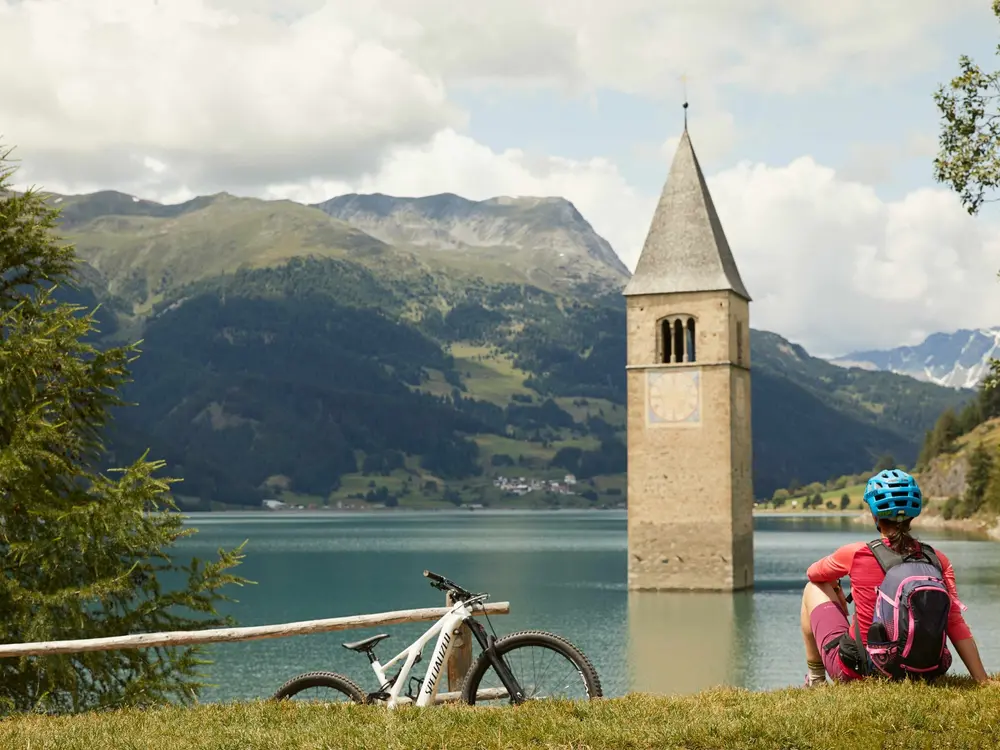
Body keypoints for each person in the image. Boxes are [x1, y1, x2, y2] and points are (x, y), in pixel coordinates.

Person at [800, 469, 989, 686]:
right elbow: (954, 621)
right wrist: (981, 679)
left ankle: (815, 680)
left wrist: (835, 585)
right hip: (925, 672)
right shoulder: (937, 559)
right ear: (913, 515)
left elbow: (813, 573)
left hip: (861, 671)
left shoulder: (856, 553)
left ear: (874, 514)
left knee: (812, 588)